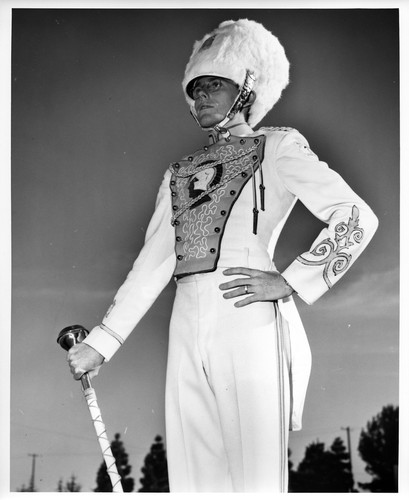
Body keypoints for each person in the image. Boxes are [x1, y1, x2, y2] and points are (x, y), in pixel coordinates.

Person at [67, 19, 378, 492]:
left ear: (247, 88)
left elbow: (355, 215)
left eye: (214, 84)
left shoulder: (276, 145)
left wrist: (289, 280)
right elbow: (152, 264)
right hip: (185, 323)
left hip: (247, 317)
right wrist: (101, 344)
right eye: (195, 88)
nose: (201, 96)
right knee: (194, 480)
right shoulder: (179, 172)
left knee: (255, 477)